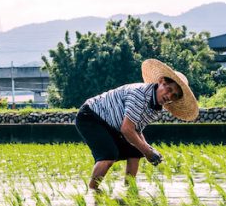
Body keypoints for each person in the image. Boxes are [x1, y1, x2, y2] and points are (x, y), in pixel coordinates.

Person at [74, 59, 198, 190]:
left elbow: (136, 130)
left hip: (111, 124)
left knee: (135, 150)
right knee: (109, 155)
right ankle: (92, 192)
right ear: (161, 82)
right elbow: (127, 129)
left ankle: (130, 190)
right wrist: (148, 153)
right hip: (91, 116)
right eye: (169, 89)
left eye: (174, 95)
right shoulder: (140, 94)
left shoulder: (155, 109)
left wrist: (148, 149)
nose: (169, 95)